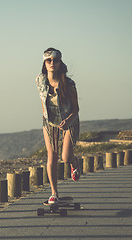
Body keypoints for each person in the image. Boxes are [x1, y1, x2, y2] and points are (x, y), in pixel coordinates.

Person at [35, 47, 81, 204]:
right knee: (51, 157)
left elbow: (76, 109)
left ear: (60, 62)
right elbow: (42, 102)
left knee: (65, 156)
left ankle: (74, 163)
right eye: (48, 60)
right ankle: (54, 193)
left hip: (69, 121)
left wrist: (68, 120)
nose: (52, 63)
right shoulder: (40, 80)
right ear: (44, 63)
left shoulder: (68, 84)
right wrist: (46, 121)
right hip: (49, 123)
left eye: (55, 60)